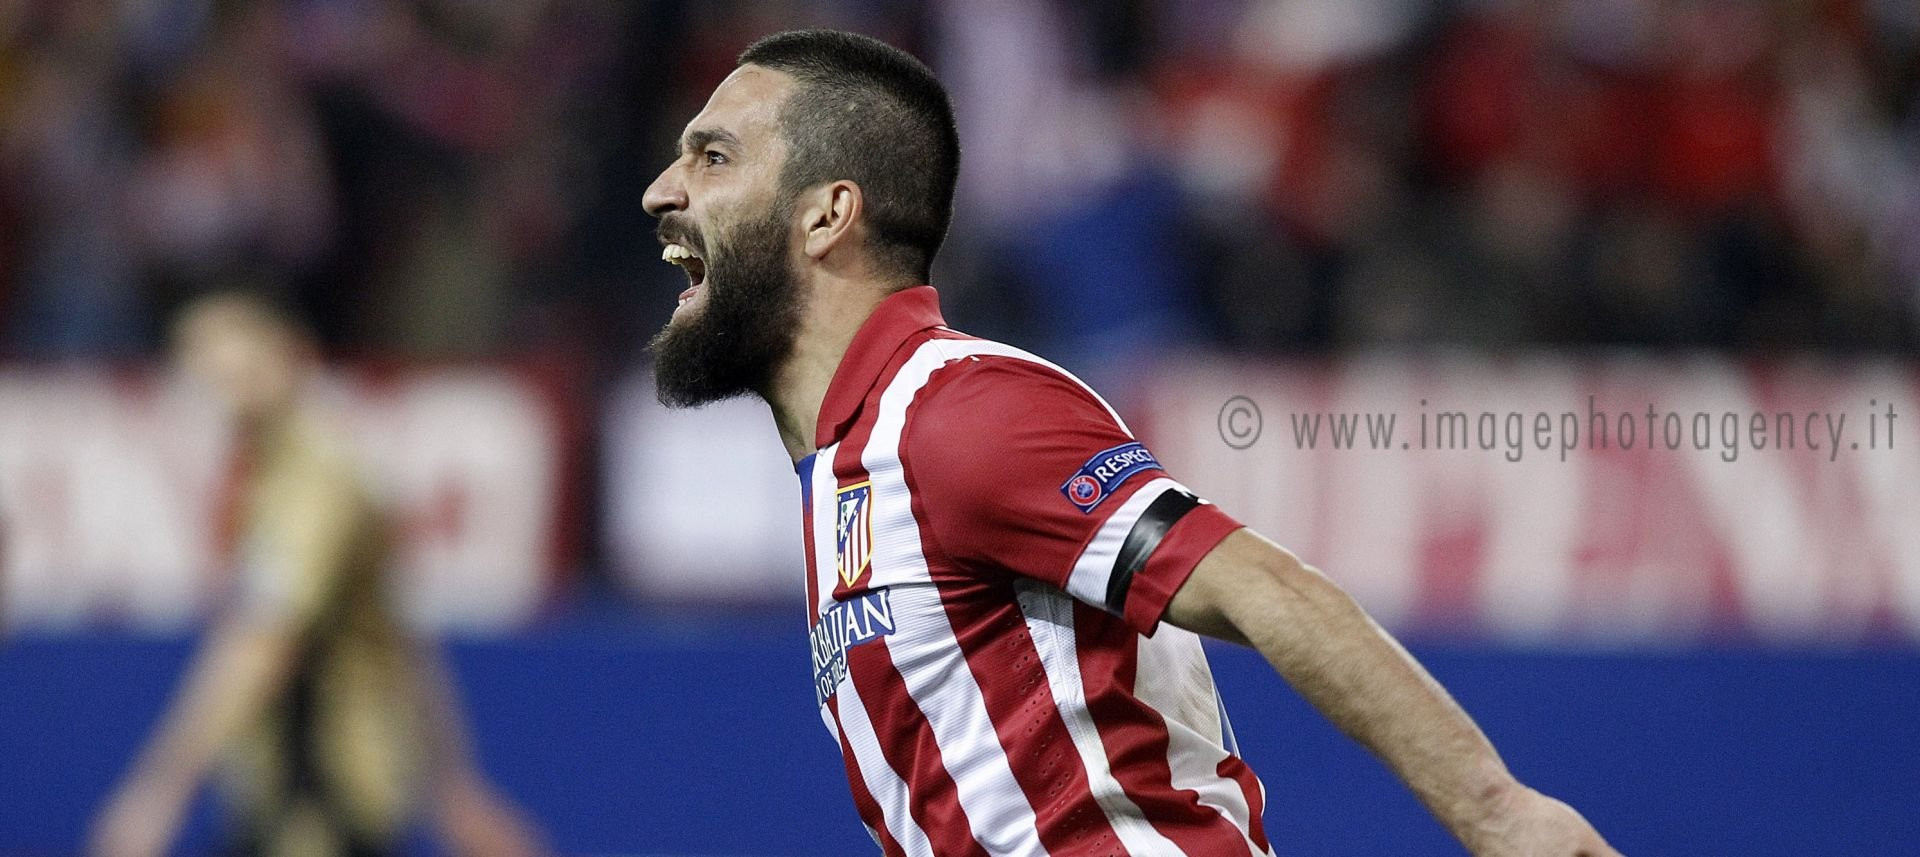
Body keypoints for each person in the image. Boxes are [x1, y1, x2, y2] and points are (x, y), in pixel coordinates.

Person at [640, 29, 1620, 857]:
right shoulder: (847, 468)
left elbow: (1266, 586)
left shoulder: (957, 411)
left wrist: (1500, 813)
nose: (659, 191)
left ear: (827, 214)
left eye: (714, 157)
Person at [90, 294, 546, 857]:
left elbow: (264, 640)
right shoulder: (281, 476)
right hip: (308, 782)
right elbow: (398, 634)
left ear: (292, 359)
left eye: (240, 374)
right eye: (209, 376)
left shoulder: (313, 486)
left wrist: (162, 787)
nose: (226, 395)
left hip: (322, 788)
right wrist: (456, 782)